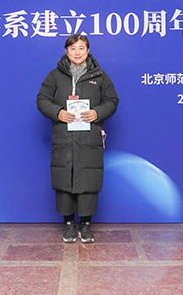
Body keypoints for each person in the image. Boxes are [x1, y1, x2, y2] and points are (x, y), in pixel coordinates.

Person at [37, 34, 119, 243]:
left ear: (88, 50)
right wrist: (58, 113)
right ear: (66, 52)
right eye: (73, 48)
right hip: (64, 136)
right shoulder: (55, 75)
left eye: (81, 48)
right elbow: (42, 99)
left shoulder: (100, 76)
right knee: (64, 178)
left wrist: (97, 112)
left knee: (88, 180)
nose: (77, 52)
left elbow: (112, 100)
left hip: (89, 137)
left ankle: (86, 224)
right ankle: (68, 224)